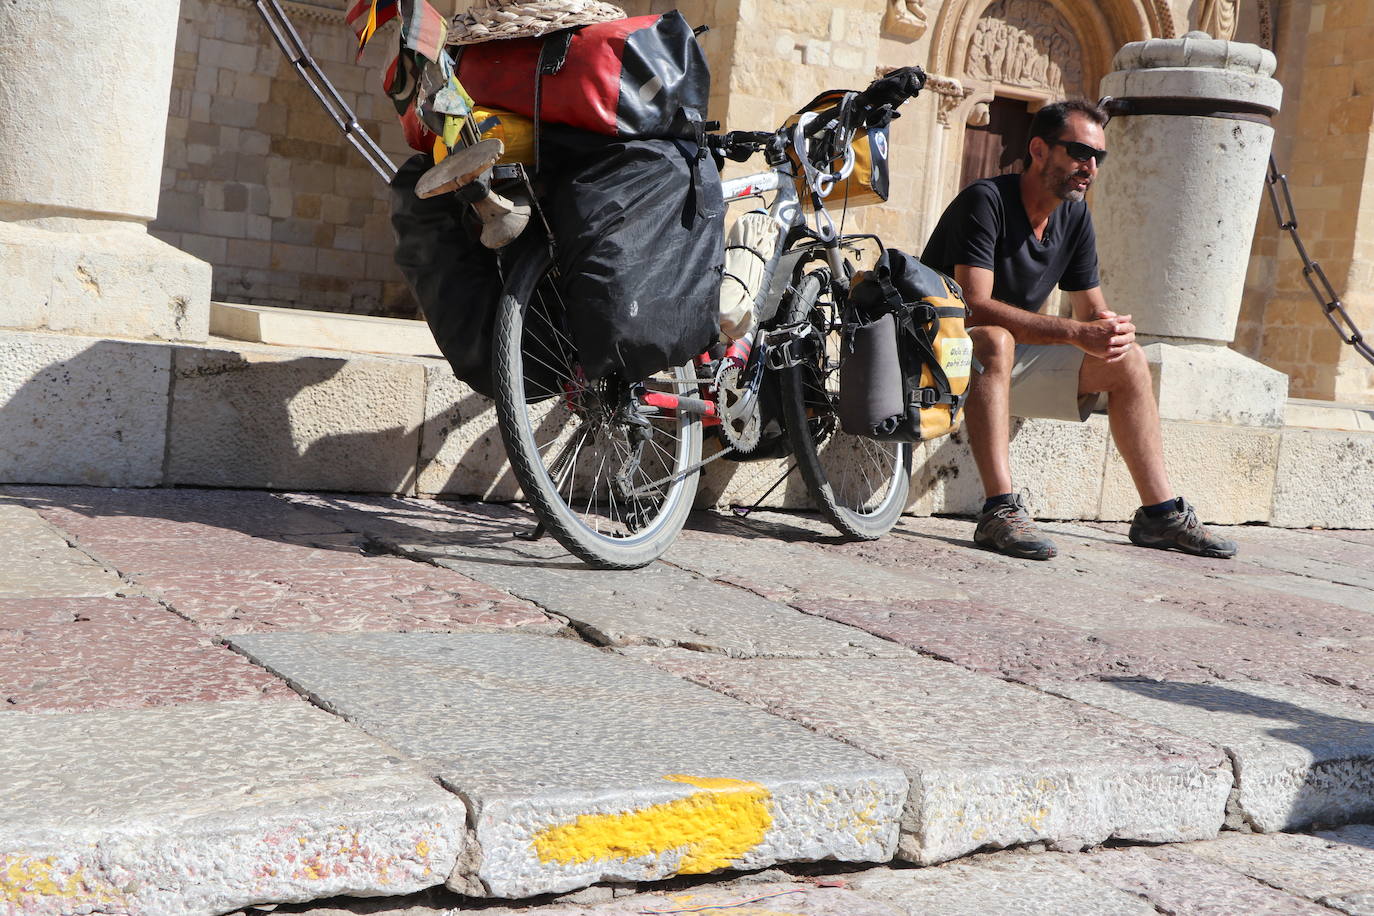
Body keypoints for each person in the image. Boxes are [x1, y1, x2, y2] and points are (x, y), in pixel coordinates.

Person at [921, 99, 1237, 561]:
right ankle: (999, 511)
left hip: (1006, 367)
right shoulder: (985, 201)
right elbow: (973, 307)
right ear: (1039, 150)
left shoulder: (1075, 216)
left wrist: (1110, 331)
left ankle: (1160, 514)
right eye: (1078, 152)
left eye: (1098, 157)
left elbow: (1092, 310)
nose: (1089, 166)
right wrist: (1072, 332)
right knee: (993, 337)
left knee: (1126, 360)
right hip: (939, 356)